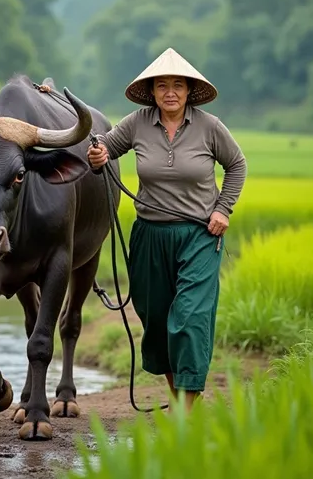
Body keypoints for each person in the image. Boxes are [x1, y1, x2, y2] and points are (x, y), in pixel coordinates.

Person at [87, 47, 247, 412]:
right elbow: (106, 151)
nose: (170, 92)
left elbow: (237, 165)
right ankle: (180, 396)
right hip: (150, 235)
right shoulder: (137, 123)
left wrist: (223, 209)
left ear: (190, 90)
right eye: (162, 86)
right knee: (157, 319)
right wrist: (97, 157)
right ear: (152, 92)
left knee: (188, 317)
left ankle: (185, 410)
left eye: (178, 85)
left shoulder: (210, 127)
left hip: (200, 235)